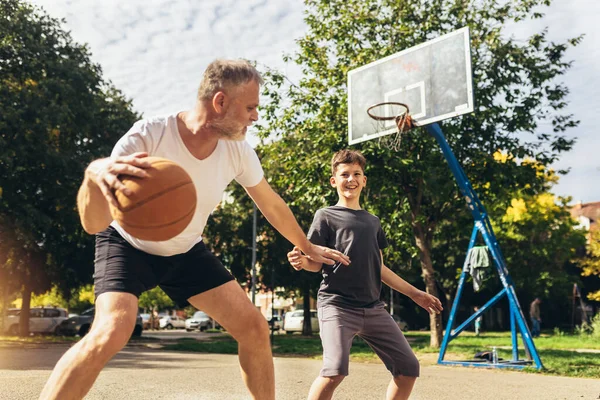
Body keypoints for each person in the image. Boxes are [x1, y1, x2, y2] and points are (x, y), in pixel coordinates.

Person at [39, 59, 350, 400]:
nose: (255, 116)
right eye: (249, 107)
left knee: (254, 328)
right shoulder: (148, 137)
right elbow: (93, 224)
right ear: (220, 102)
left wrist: (306, 244)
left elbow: (271, 204)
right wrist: (93, 175)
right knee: (112, 328)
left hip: (186, 249)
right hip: (127, 245)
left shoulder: (238, 152)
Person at [287, 150, 443, 400]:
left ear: (364, 180)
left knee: (408, 369)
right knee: (334, 370)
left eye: (356, 174)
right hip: (337, 304)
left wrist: (416, 294)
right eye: (344, 174)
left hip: (373, 308)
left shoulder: (373, 222)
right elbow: (315, 262)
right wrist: (301, 262)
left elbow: (378, 268)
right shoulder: (325, 216)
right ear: (333, 181)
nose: (351, 179)